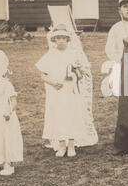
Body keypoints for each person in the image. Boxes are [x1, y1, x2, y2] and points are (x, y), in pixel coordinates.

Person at [36, 24, 98, 157]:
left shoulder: (74, 55)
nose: (61, 41)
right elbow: (42, 74)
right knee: (58, 116)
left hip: (71, 91)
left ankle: (71, 145)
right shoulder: (50, 55)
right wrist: (53, 83)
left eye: (64, 38)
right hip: (56, 91)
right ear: (53, 40)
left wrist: (76, 73)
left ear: (68, 39)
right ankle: (61, 145)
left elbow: (81, 75)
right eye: (58, 38)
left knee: (72, 116)